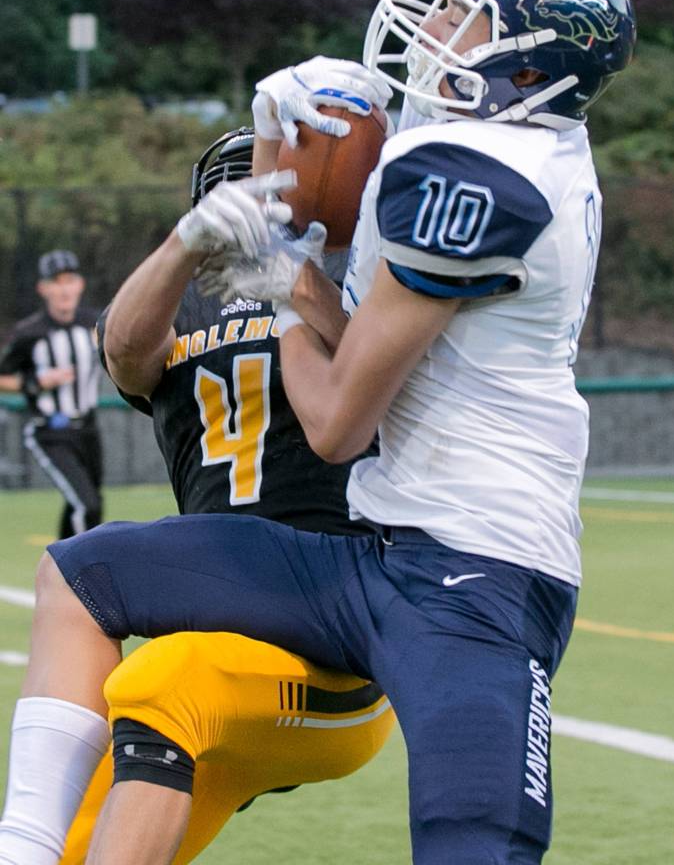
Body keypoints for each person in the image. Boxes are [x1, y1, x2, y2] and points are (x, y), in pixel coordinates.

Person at [0, 0, 636, 865]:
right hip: (375, 557)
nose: (435, 25)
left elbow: (336, 423)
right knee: (81, 573)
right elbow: (343, 326)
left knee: (472, 845)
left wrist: (287, 269)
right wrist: (311, 145)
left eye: (463, 15)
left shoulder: (482, 185)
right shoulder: (505, 141)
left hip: (479, 577)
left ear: (524, 63)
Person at [15, 129, 394, 865]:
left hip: (334, 640)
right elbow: (124, 353)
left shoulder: (361, 283)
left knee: (126, 631)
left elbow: (384, 365)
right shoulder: (179, 299)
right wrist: (186, 246)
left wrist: (297, 280)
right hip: (222, 635)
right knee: (79, 833)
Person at [0, 250, 102, 538]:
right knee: (87, 506)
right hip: (50, 431)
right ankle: (86, 578)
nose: (64, 288)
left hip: (89, 429)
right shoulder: (30, 332)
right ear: (43, 288)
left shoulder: (95, 323)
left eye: (69, 280)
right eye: (56, 282)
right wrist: (34, 382)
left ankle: (59, 572)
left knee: (85, 504)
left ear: (79, 284)